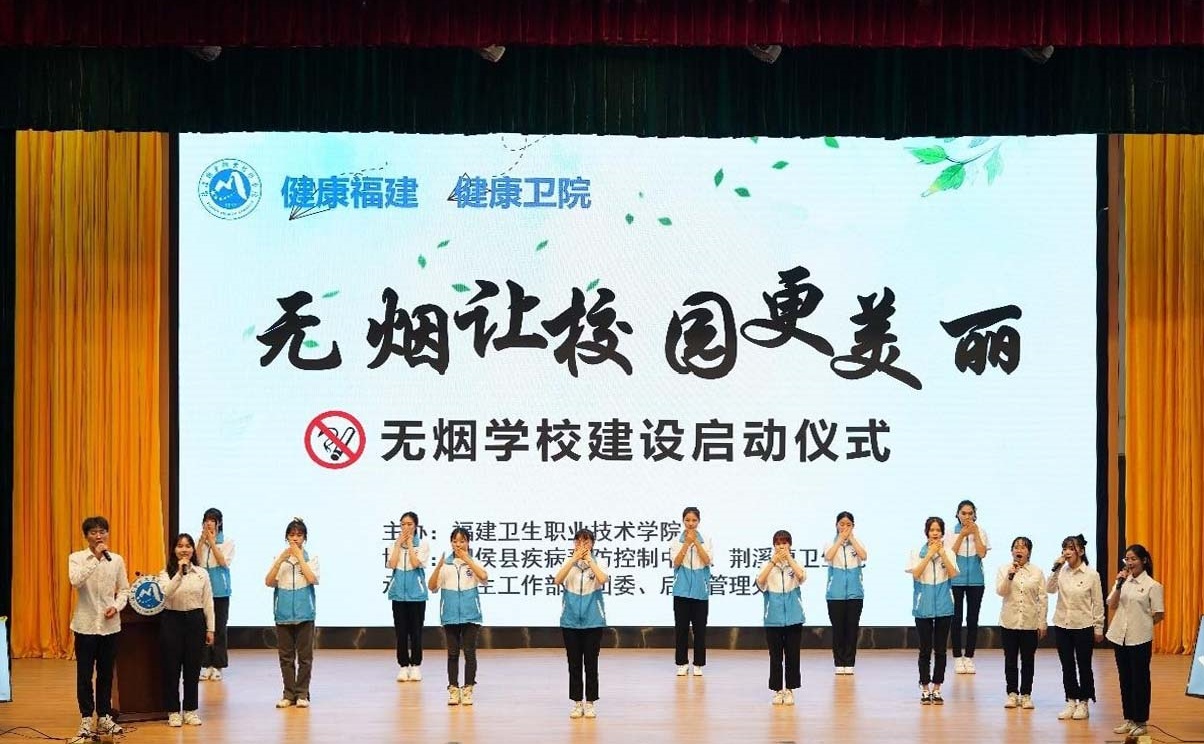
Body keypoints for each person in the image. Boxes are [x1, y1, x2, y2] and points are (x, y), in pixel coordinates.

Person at [68, 516, 129, 741]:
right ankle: (86, 717)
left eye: (102, 531)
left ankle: (104, 715)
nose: (99, 536)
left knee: (105, 674)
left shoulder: (117, 560)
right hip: (85, 626)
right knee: (84, 674)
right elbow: (75, 581)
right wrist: (95, 558)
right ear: (86, 536)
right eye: (93, 532)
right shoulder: (77, 558)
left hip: (109, 626)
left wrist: (116, 606)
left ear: (107, 534)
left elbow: (124, 589)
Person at [1106, 544, 1164, 738]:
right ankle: (1129, 718)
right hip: (1119, 636)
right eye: (1127, 559)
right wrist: (1118, 585)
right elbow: (1112, 604)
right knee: (1125, 679)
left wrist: (1143, 624)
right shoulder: (1122, 581)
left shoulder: (1153, 585)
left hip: (1140, 638)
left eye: (1133, 559)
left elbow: (1159, 614)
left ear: (1144, 560)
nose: (1129, 563)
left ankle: (1141, 721)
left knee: (1140, 680)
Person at [158, 533, 215, 727]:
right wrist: (179, 574)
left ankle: (190, 710)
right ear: (174, 550)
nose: (184, 549)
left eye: (188, 546)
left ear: (193, 550)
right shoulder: (165, 573)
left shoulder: (201, 573)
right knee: (171, 668)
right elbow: (166, 593)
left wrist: (211, 629)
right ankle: (173, 711)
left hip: (195, 621)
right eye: (180, 546)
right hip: (172, 620)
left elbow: (208, 602)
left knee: (192, 668)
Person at [1046, 533, 1104, 721]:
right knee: (1067, 665)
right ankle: (1071, 700)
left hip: (1083, 625)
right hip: (1062, 624)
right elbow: (1049, 589)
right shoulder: (1062, 571)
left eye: (1071, 548)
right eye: (1064, 548)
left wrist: (1098, 627)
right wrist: (1056, 568)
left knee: (1084, 665)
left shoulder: (1091, 574)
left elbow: (1098, 603)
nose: (1067, 552)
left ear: (1081, 551)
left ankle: (1084, 702)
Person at [264, 517, 320, 709]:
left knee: (305, 657)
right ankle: (288, 694)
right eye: (292, 535)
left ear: (305, 538)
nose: (295, 538)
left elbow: (312, 579)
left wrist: (299, 557)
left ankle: (302, 693)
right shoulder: (280, 559)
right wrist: (281, 559)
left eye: (299, 535)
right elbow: (269, 581)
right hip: (283, 614)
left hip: (305, 614)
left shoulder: (311, 558)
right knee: (286, 657)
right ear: (286, 537)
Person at [428, 527, 487, 706]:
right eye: (455, 541)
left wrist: (468, 560)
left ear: (468, 542)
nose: (458, 544)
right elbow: (432, 587)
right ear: (451, 543)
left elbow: (484, 578)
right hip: (450, 616)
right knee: (452, 654)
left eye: (462, 541)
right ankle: (453, 689)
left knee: (469, 653)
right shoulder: (446, 564)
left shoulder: (474, 562)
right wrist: (438, 566)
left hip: (471, 616)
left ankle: (468, 689)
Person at [554, 528, 609, 719]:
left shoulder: (599, 562)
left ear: (592, 544)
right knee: (574, 664)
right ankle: (577, 703)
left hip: (593, 622)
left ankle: (590, 702)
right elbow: (557, 580)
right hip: (570, 622)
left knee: (591, 664)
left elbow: (603, 579)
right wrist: (573, 560)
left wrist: (590, 561)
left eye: (586, 542)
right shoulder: (567, 562)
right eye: (578, 541)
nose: (582, 545)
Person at [908, 516, 959, 704]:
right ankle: (924, 687)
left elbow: (953, 574)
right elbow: (916, 573)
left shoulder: (949, 553)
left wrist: (942, 554)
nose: (935, 533)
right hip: (923, 606)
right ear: (927, 532)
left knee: (941, 650)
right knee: (924, 650)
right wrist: (929, 554)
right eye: (932, 530)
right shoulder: (917, 552)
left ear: (942, 533)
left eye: (938, 530)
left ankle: (937, 688)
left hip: (944, 606)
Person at [996, 536, 1047, 710]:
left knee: (1028, 660)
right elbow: (1001, 592)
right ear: (1012, 551)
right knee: (1010, 660)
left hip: (1029, 622)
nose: (1019, 550)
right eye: (1016, 547)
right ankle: (1012, 693)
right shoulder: (1004, 569)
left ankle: (1026, 694)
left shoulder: (1037, 572)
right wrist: (1010, 576)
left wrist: (1042, 622)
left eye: (1023, 547)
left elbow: (1042, 598)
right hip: (1009, 622)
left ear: (1029, 552)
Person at [756, 530, 807, 706]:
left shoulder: (796, 564)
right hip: (773, 619)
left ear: (790, 545)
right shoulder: (767, 565)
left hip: (794, 618)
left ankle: (790, 690)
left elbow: (802, 577)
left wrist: (789, 559)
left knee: (793, 656)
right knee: (776, 657)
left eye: (784, 543)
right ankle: (778, 690)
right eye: (778, 544)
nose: (781, 547)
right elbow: (760, 582)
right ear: (773, 546)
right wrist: (773, 562)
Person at [946, 499, 990, 674]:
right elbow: (949, 554)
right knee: (956, 619)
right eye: (963, 513)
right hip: (955, 580)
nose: (967, 516)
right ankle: (957, 657)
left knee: (972, 619)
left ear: (975, 515)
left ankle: (969, 657)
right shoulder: (950, 532)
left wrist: (975, 533)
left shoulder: (981, 531)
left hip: (976, 582)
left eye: (970, 513)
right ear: (957, 514)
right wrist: (962, 535)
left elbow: (982, 553)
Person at [669, 506, 713, 677]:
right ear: (683, 521)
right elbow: (676, 562)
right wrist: (687, 543)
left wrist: (696, 543)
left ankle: (698, 664)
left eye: (694, 520)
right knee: (681, 629)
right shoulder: (676, 540)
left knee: (700, 630)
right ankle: (681, 663)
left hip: (700, 592)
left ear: (698, 521)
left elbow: (707, 560)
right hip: (681, 592)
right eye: (687, 520)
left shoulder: (706, 539)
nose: (690, 523)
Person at [387, 511, 430, 682]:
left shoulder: (423, 544)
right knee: (401, 632)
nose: (406, 527)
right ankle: (403, 666)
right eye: (403, 524)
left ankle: (416, 665)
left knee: (416, 632)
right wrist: (398, 545)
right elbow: (391, 564)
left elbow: (416, 563)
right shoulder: (394, 544)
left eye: (409, 524)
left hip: (417, 595)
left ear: (416, 526)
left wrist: (410, 545)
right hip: (398, 595)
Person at [823, 511, 867, 675]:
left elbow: (864, 556)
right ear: (836, 525)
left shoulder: (857, 542)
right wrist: (840, 540)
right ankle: (839, 662)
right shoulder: (830, 542)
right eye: (842, 524)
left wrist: (852, 539)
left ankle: (849, 663)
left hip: (855, 593)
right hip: (835, 594)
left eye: (848, 524)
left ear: (853, 526)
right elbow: (828, 556)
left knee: (852, 628)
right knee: (838, 629)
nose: (845, 527)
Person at [198, 507, 234, 682]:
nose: (209, 524)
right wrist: (201, 542)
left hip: (220, 591)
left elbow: (223, 562)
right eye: (206, 520)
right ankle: (205, 664)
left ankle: (218, 665)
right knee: (203, 628)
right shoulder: (200, 541)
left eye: (212, 520)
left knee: (219, 627)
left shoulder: (227, 541)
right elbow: (196, 561)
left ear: (219, 523)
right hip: (201, 591)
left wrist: (212, 543)